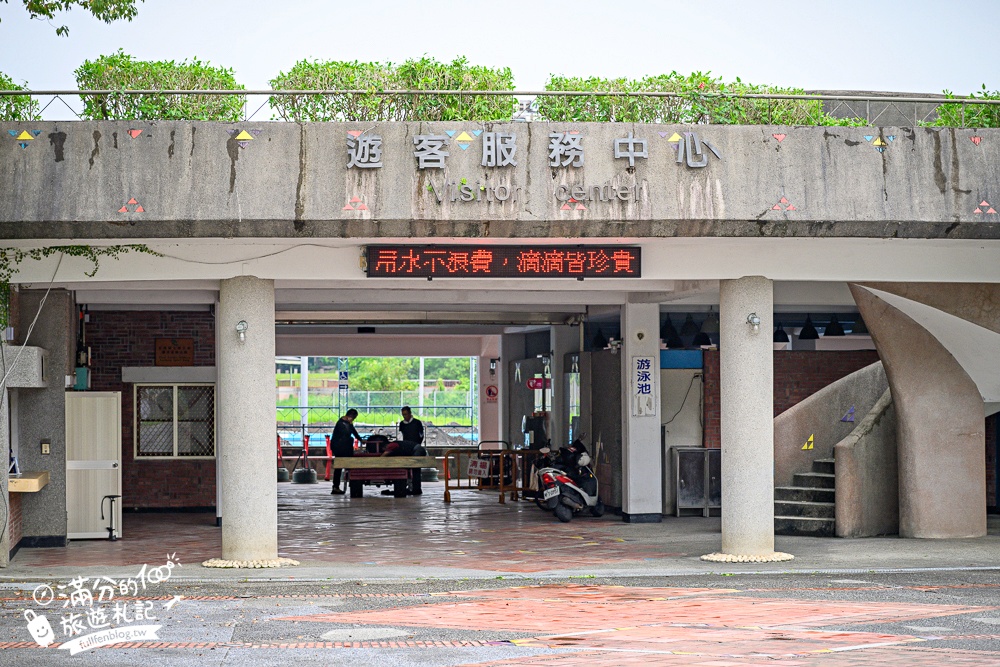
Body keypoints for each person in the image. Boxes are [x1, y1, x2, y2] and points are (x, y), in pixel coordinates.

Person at [330, 409, 361, 495]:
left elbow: (354, 432)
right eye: (353, 418)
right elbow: (347, 434)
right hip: (340, 449)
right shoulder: (342, 424)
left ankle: (339, 485)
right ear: (350, 416)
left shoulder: (347, 423)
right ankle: (336, 487)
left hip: (343, 448)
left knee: (340, 468)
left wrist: (360, 439)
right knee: (339, 467)